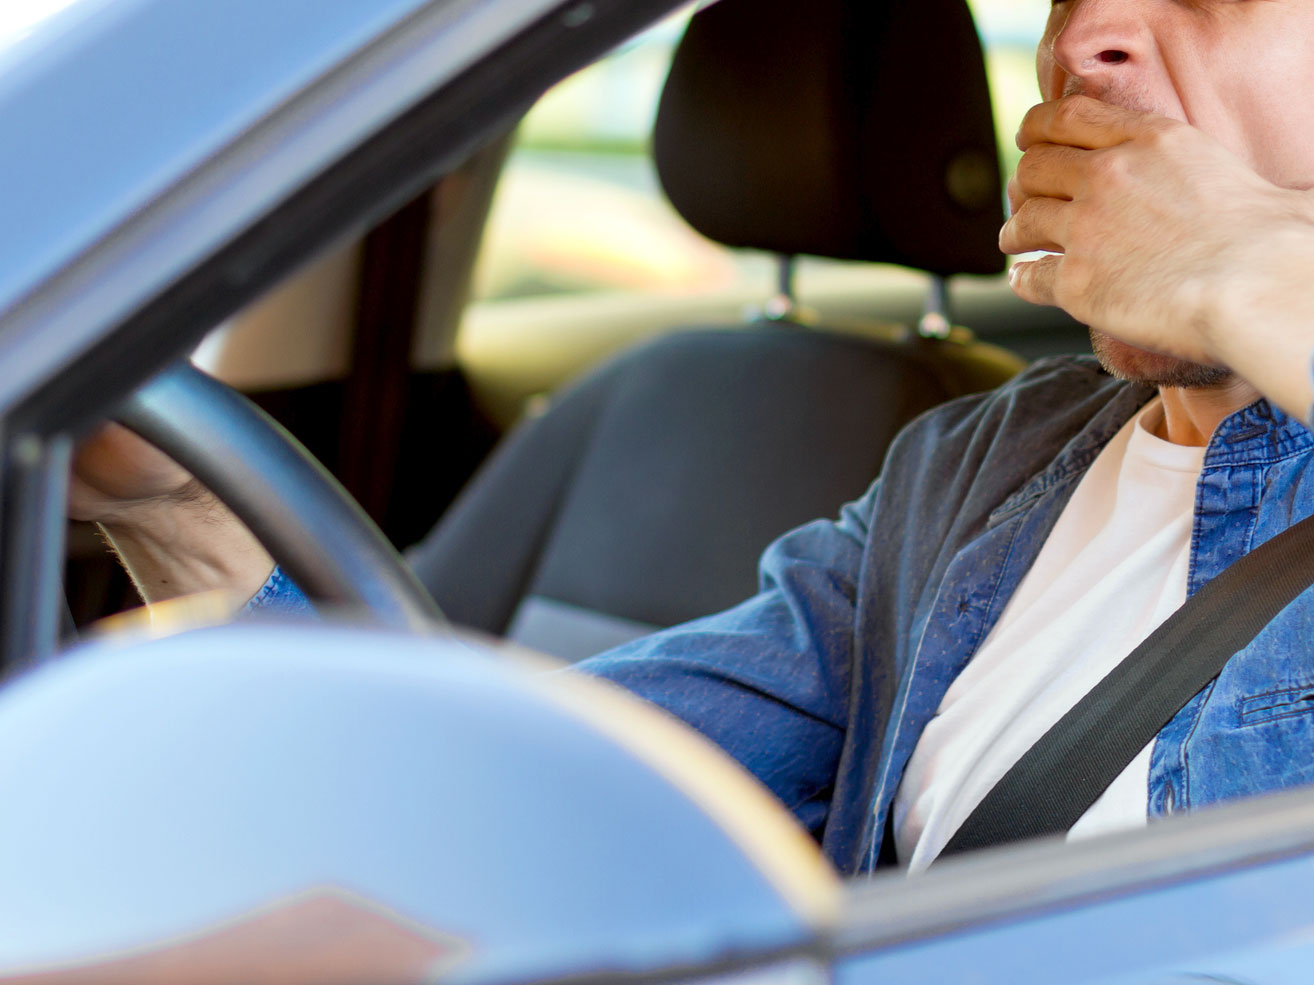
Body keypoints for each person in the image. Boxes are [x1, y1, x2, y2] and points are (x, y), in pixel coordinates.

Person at [69, 0, 1314, 877]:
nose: (1080, 32)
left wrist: (1256, 272)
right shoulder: (971, 473)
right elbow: (511, 813)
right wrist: (175, 507)